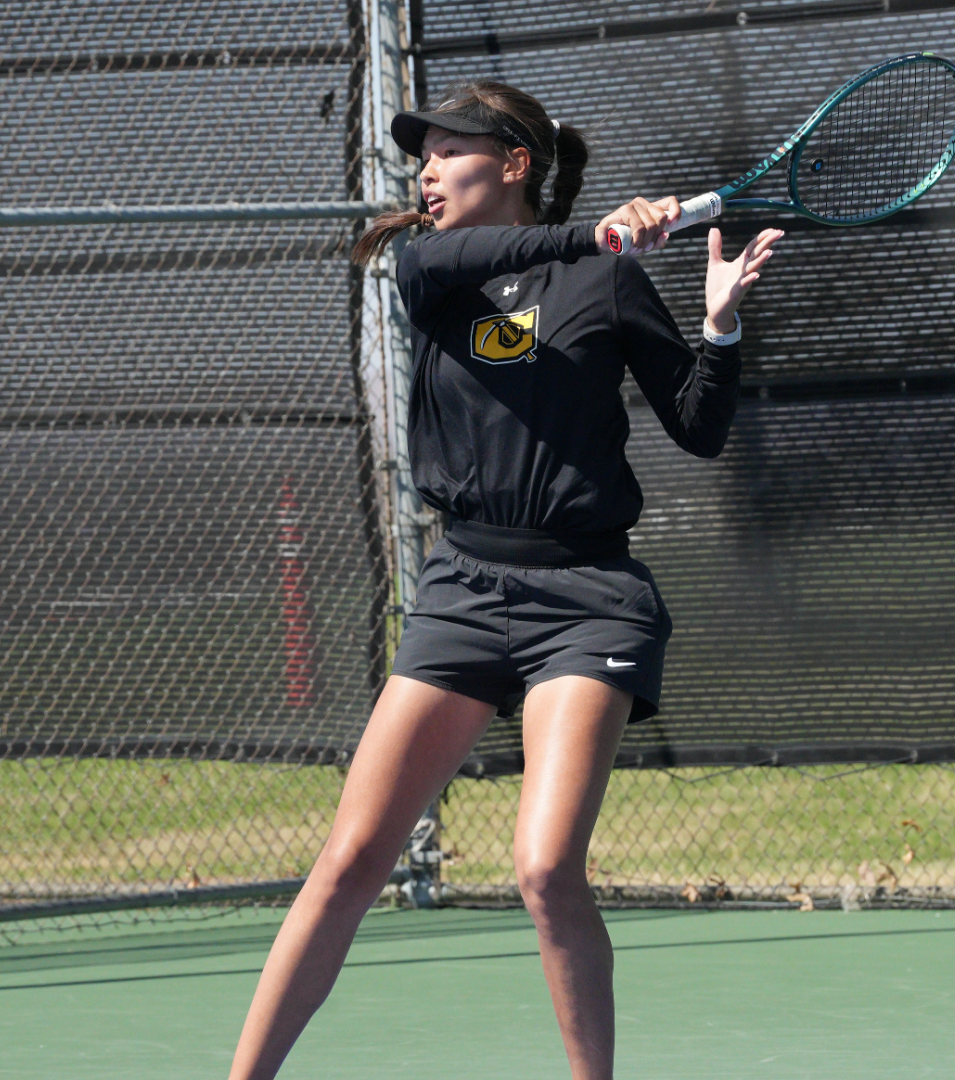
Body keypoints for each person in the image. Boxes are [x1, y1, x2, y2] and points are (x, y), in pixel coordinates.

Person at [227, 81, 780, 1080]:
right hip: (463, 592)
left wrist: (722, 326)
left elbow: (698, 431)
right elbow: (513, 253)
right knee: (351, 860)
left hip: (587, 600)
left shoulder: (606, 283)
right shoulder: (427, 268)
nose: (425, 174)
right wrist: (597, 235)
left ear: (512, 164)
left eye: (446, 153)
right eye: (420, 160)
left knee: (544, 869)